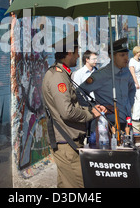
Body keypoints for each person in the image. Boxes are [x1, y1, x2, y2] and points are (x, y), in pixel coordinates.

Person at [42, 35, 106, 188]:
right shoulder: (58, 77)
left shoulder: (63, 74)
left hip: (68, 142)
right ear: (69, 52)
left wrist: (91, 109)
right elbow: (67, 112)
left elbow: (71, 107)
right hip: (66, 143)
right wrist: (91, 114)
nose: (79, 56)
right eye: (77, 52)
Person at [80, 38, 136, 128]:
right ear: (112, 56)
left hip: (126, 121)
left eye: (127, 54)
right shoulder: (101, 75)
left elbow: (132, 89)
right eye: (122, 55)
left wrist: (128, 105)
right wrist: (93, 107)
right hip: (106, 124)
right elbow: (79, 92)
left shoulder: (126, 72)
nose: (126, 58)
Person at [129, 46, 140, 121]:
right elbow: (132, 73)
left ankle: (135, 115)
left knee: (137, 99)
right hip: (136, 81)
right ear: (136, 52)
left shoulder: (139, 61)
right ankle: (135, 117)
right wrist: (136, 83)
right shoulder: (132, 61)